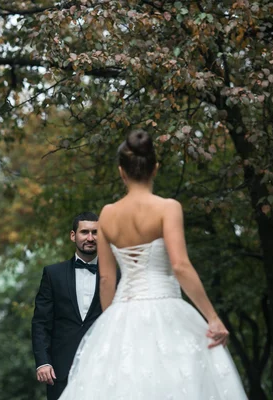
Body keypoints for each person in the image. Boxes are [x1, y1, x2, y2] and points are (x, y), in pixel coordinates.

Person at [58, 130, 248, 399]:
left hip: (122, 309)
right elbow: (180, 265)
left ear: (121, 172)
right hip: (167, 307)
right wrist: (213, 318)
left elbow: (106, 280)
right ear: (155, 168)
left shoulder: (108, 215)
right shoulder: (167, 208)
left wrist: (110, 326)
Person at [31, 212, 103, 400]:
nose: (90, 238)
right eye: (84, 232)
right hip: (60, 371)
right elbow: (41, 322)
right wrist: (43, 362)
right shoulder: (53, 274)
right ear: (73, 236)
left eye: (95, 232)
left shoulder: (114, 276)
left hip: (103, 367)